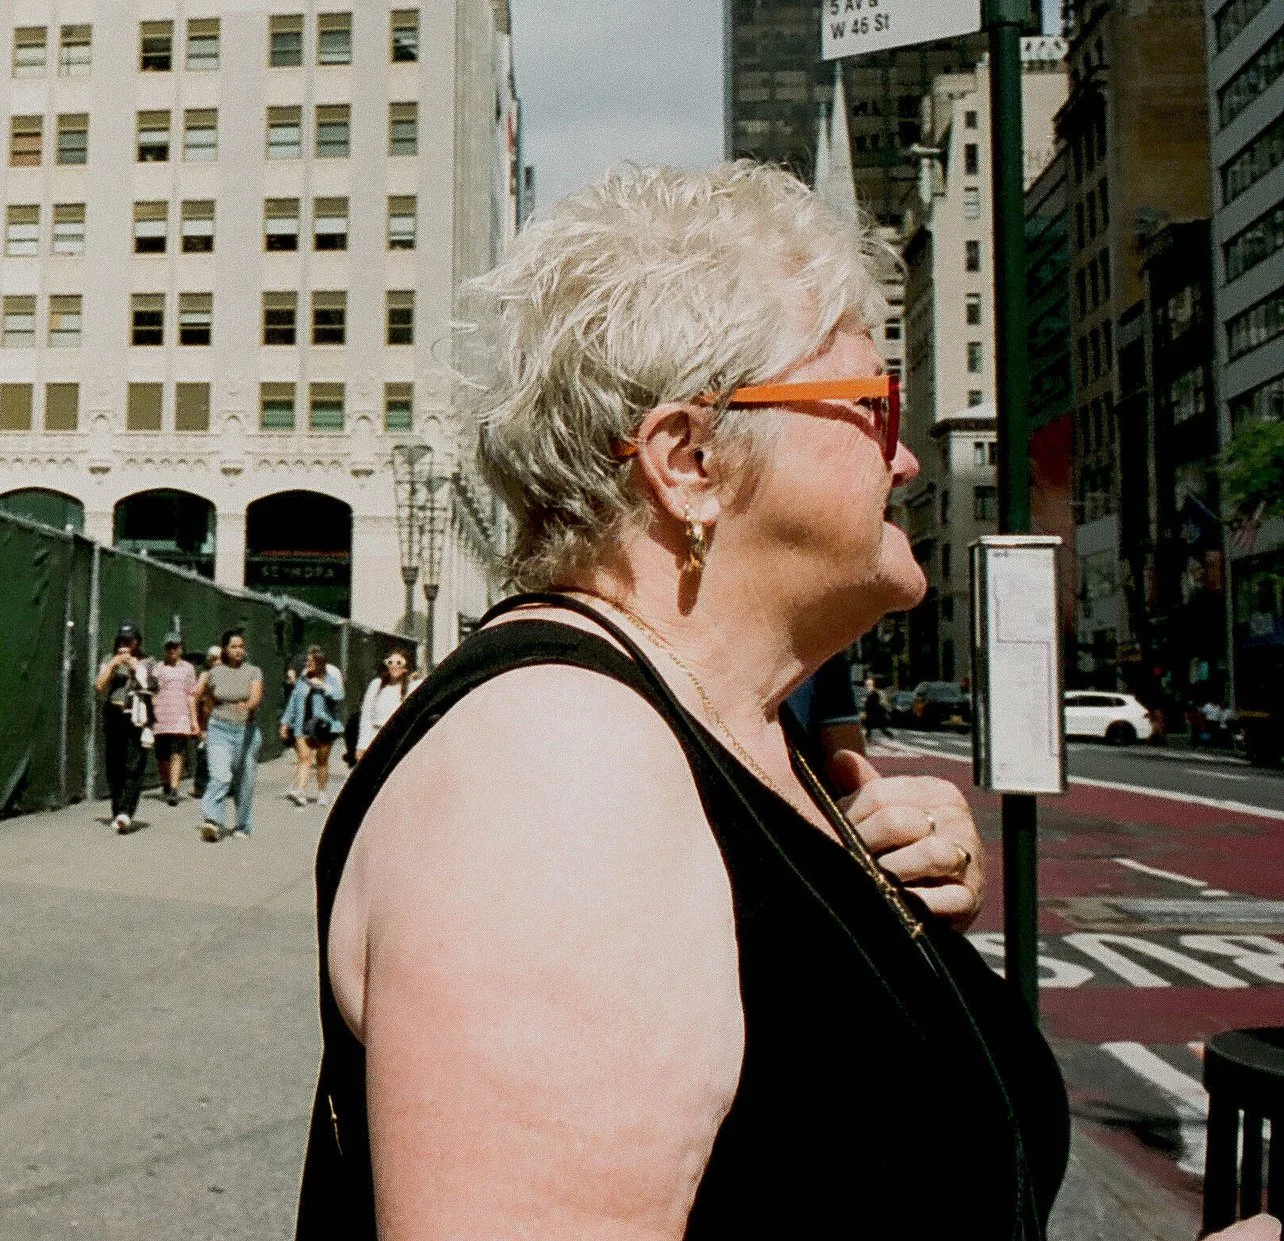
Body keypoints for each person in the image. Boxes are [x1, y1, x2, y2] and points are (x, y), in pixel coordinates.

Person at [298, 164, 1077, 1241]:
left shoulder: (717, 728)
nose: (901, 456)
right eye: (871, 405)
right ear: (691, 460)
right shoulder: (562, 774)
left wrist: (875, 920)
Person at [198, 629, 263, 843]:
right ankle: (212, 820)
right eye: (233, 646)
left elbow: (256, 695)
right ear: (225, 649)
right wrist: (204, 726)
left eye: (241, 647)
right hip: (219, 729)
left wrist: (248, 705)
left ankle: (242, 825)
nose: (238, 651)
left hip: (246, 731)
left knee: (245, 781)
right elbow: (206, 700)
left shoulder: (253, 671)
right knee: (221, 776)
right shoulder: (215, 673)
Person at [93, 623, 153, 833]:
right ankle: (117, 810)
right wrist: (112, 665)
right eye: (121, 641)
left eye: (129, 641)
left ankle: (126, 811)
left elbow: (151, 686)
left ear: (137, 642)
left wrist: (134, 666)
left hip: (135, 716)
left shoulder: (147, 661)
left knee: (133, 763)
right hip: (113, 714)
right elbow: (99, 686)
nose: (124, 646)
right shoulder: (109, 659)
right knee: (114, 764)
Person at [281, 646, 346, 806]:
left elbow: (339, 696)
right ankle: (300, 792)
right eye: (307, 661)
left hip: (323, 726)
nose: (308, 664)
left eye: (312, 661)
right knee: (305, 758)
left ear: (320, 663)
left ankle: (322, 793)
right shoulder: (302, 681)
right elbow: (293, 702)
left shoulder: (329, 679)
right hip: (302, 726)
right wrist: (285, 723)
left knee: (322, 761)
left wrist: (323, 686)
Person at [149, 632, 201, 804]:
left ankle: (173, 789)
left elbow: (191, 695)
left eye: (175, 646)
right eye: (169, 647)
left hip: (180, 718)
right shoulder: (157, 669)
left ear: (181, 648)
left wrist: (194, 721)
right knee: (162, 756)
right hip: (161, 718)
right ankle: (166, 782)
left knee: (177, 752)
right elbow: (152, 693)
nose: (172, 650)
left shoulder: (188, 669)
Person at [352, 647, 414, 762]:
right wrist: (362, 745)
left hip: (398, 740)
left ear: (405, 667)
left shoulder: (411, 687)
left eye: (399, 662)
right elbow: (366, 715)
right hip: (375, 737)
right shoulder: (376, 684)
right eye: (390, 662)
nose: (394, 666)